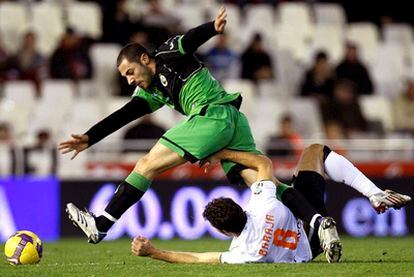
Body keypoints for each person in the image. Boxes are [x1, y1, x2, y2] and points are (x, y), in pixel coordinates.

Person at [59, 8, 331, 246]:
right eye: (125, 77)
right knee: (264, 182)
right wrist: (90, 137)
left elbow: (189, 41)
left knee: (145, 165)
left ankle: (101, 225)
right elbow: (125, 114)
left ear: (143, 59)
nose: (129, 81)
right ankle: (318, 223)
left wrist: (212, 29)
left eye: (130, 73)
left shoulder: (165, 55)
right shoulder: (151, 92)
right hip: (233, 121)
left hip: (211, 116)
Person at [130, 144, 411, 264]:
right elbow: (263, 163)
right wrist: (222, 153)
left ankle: (320, 223)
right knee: (315, 152)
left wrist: (153, 251)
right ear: (241, 208)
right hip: (303, 219)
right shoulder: (260, 204)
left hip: (308, 250)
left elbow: (196, 258)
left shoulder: (241, 254)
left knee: (276, 184)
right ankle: (372, 193)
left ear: (226, 233)